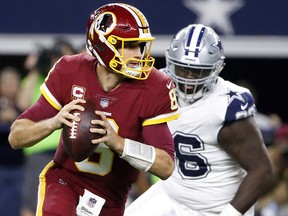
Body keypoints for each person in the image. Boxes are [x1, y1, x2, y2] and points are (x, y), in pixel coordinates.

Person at [8, 3, 179, 216]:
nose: (139, 54)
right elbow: (16, 137)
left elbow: (166, 167)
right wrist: (54, 122)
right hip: (65, 181)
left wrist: (118, 143)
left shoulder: (154, 86)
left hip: (112, 196)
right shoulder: (70, 70)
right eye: (130, 45)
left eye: (141, 46)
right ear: (104, 46)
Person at [124, 24, 273, 216]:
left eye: (197, 71)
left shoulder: (225, 107)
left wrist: (230, 214)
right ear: (170, 62)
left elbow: (262, 170)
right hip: (170, 195)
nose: (188, 78)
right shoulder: (159, 87)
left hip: (215, 208)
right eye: (182, 68)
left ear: (216, 69)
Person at [18, 37, 76, 216]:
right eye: (53, 57)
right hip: (39, 149)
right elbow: (22, 103)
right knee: (32, 201)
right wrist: (35, 70)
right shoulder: (35, 81)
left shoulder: (70, 80)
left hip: (68, 149)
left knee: (67, 200)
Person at [0, 67, 24, 216]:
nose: (10, 87)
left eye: (14, 83)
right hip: (1, 166)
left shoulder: (23, 107)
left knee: (17, 206)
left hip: (20, 167)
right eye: (7, 83)